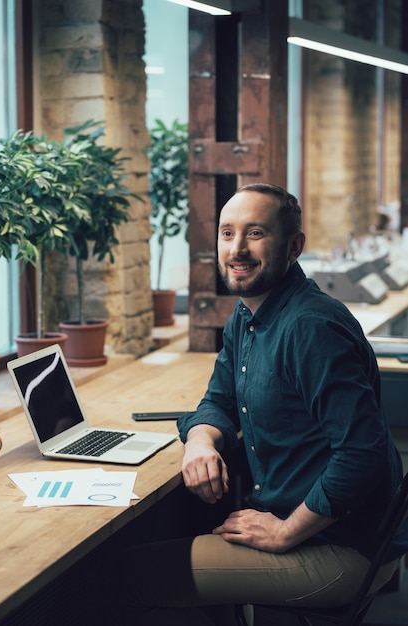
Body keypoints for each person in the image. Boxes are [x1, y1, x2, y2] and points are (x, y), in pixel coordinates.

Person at [114, 183, 407, 626]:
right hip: (312, 528)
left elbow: (361, 455)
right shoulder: (250, 314)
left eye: (255, 233)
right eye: (227, 233)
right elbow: (218, 398)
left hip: (343, 547)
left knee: (126, 578)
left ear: (294, 247)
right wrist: (199, 441)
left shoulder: (309, 328)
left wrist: (285, 532)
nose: (237, 249)